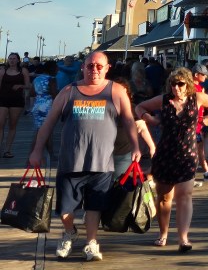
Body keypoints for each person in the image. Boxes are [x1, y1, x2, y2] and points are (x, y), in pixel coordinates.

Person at [28, 50, 140, 262]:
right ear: (83, 67)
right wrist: (36, 150)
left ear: (107, 68)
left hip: (102, 162)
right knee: (65, 209)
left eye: (99, 66)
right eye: (90, 65)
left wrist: (136, 147)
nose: (94, 70)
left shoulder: (116, 91)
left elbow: (129, 121)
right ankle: (69, 232)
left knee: (94, 206)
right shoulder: (68, 91)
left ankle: (91, 242)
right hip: (70, 162)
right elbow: (49, 123)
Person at [135, 67, 208, 252]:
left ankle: (183, 238)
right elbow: (139, 107)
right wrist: (149, 119)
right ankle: (163, 234)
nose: (176, 87)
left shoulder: (197, 98)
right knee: (164, 197)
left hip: (187, 154)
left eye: (180, 84)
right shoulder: (164, 100)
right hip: (165, 153)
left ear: (188, 84)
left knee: (184, 195)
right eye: (173, 84)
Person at [110, 77, 156, 176]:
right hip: (105, 153)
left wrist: (152, 147)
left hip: (123, 153)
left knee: (119, 180)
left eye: (123, 92)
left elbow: (142, 128)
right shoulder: (106, 107)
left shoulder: (131, 108)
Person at [0, 52, 30, 157]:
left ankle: (7, 150)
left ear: (18, 60)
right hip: (2, 100)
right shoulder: (3, 71)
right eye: (10, 58)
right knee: (0, 124)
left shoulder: (23, 71)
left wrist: (20, 86)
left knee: (12, 125)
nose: (12, 60)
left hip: (17, 101)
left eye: (14, 58)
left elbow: (28, 85)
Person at [29, 59, 58, 160]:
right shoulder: (52, 79)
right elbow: (54, 94)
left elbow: (31, 93)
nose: (58, 70)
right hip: (47, 106)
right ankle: (49, 154)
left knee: (39, 130)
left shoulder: (37, 79)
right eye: (56, 68)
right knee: (48, 131)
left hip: (37, 106)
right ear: (52, 69)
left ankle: (40, 153)